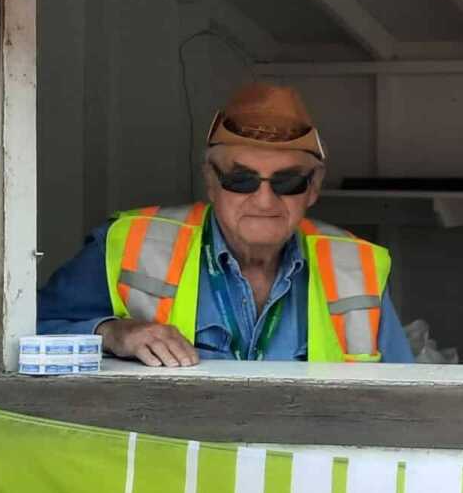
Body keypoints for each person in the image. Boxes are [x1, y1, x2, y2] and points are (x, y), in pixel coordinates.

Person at [38, 82, 414, 366]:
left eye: (287, 182)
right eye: (241, 179)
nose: (264, 200)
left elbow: (406, 397)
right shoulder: (129, 243)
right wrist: (111, 332)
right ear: (211, 181)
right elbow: (22, 332)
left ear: (313, 188)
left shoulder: (357, 268)